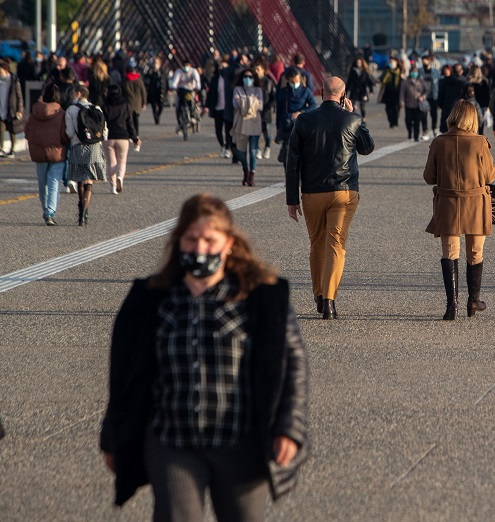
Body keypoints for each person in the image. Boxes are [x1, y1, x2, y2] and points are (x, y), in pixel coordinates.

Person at [99, 193, 309, 520]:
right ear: (178, 241)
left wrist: (288, 429)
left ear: (229, 243)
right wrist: (113, 434)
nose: (199, 249)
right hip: (172, 441)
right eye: (191, 239)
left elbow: (293, 366)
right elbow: (123, 373)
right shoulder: (151, 299)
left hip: (240, 439)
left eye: (209, 240)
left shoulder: (261, 297)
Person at [285, 76, 375, 319]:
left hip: (312, 192)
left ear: (321, 92)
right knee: (336, 244)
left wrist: (292, 198)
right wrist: (356, 116)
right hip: (343, 192)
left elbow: (292, 162)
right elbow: (367, 147)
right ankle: (329, 301)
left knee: (317, 243)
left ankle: (318, 294)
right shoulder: (353, 119)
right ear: (343, 94)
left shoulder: (304, 120)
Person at [422, 100, 495, 320]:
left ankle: (451, 305)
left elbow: (429, 177)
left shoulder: (438, 142)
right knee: (475, 253)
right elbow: (490, 176)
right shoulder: (480, 142)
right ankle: (473, 301)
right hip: (475, 203)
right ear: (473, 119)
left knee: (449, 252)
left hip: (447, 203)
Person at [24, 82, 70, 225]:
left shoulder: (35, 112)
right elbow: (65, 134)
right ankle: (50, 212)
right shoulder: (61, 113)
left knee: (42, 182)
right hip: (57, 152)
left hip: (39, 152)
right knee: (54, 182)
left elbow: (27, 131)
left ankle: (45, 209)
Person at [65, 85, 108, 226]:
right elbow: (104, 131)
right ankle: (85, 211)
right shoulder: (97, 109)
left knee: (79, 178)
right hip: (94, 147)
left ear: (78, 94)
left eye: (73, 93)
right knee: (89, 179)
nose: (72, 95)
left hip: (78, 146)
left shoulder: (71, 110)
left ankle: (80, 208)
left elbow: (70, 132)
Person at [102, 84, 140, 195]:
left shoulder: (105, 106)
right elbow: (130, 124)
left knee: (111, 162)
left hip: (108, 137)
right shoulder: (126, 106)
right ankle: (120, 177)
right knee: (121, 161)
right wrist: (135, 138)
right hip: (123, 136)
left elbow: (101, 123)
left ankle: (113, 186)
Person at [275, 67, 316, 167]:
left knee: (302, 153)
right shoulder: (283, 92)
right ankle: (289, 180)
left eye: (297, 80)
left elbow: (313, 105)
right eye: (293, 80)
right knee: (287, 154)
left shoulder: (305, 91)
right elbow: (279, 112)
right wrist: (278, 126)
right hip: (287, 125)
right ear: (288, 80)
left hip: (301, 125)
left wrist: (301, 112)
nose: (295, 82)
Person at [232, 68, 264, 187]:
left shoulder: (258, 90)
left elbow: (260, 105)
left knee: (253, 150)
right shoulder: (237, 89)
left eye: (251, 77)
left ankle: (252, 175)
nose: (248, 79)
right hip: (241, 123)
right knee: (241, 151)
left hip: (254, 123)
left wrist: (244, 102)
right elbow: (235, 104)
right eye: (246, 76)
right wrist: (252, 102)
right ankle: (245, 169)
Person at [171, 59, 202, 139]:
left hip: (190, 91)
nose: (186, 68)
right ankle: (179, 121)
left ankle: (193, 115)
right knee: (177, 105)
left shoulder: (193, 71)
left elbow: (197, 81)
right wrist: (173, 87)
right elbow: (175, 81)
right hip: (181, 91)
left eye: (187, 65)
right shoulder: (179, 72)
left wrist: (197, 87)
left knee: (192, 102)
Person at [0, 59, 24, 157]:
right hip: (1, 107)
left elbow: (19, 96)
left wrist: (19, 110)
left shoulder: (13, 80)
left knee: (12, 129)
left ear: (6, 70)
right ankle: (1, 148)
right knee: (1, 128)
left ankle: (12, 149)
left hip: (11, 108)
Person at [436, 64, 467, 133]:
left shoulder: (445, 81)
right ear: (461, 71)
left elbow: (440, 96)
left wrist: (442, 105)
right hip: (460, 108)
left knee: (446, 130)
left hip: (447, 107)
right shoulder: (464, 82)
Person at [400, 67, 428, 142]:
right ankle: (410, 132)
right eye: (413, 72)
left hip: (418, 105)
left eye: (415, 72)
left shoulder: (421, 81)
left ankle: (416, 136)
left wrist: (423, 96)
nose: (414, 73)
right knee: (408, 120)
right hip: (408, 104)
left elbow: (426, 90)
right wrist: (401, 102)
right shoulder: (405, 82)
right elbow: (402, 93)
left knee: (417, 121)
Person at [122, 58, 147, 135]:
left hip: (129, 102)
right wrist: (144, 102)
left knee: (129, 120)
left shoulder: (125, 81)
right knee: (136, 119)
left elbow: (123, 92)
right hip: (138, 102)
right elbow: (143, 92)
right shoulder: (138, 80)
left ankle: (130, 133)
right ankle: (137, 133)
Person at [143, 56, 169, 125]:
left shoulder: (162, 73)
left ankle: (158, 114)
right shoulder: (150, 72)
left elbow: (166, 82)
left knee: (161, 106)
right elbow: (146, 81)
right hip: (152, 92)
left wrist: (167, 90)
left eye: (156, 63)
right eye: (154, 63)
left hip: (161, 92)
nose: (155, 65)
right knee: (153, 105)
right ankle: (156, 117)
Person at [378, 57, 403, 128]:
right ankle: (391, 121)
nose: (391, 63)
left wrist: (403, 77)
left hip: (397, 92)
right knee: (388, 109)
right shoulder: (387, 70)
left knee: (396, 108)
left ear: (396, 62)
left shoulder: (400, 71)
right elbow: (382, 78)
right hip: (388, 93)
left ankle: (395, 122)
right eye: (390, 62)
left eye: (392, 62)